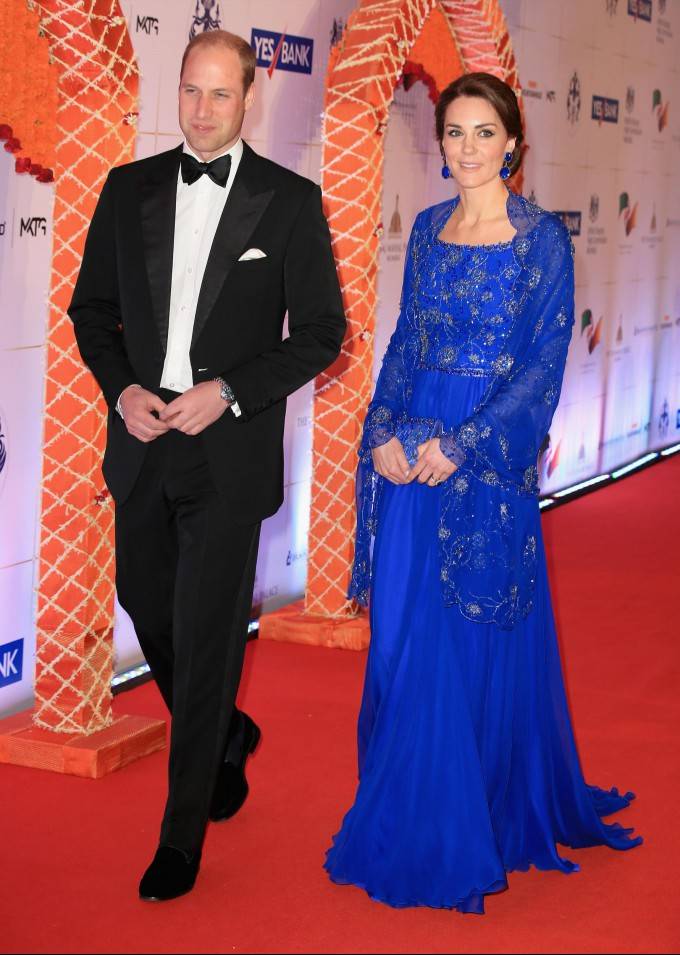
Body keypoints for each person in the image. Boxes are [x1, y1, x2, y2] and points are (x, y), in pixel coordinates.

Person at [325, 72, 641, 914]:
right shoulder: (428, 229)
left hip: (484, 461)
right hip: (413, 451)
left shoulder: (542, 241)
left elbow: (542, 367)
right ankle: (408, 805)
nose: (468, 149)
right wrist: (382, 428)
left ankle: (468, 818)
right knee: (401, 633)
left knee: (464, 638)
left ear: (512, 144)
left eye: (484, 133)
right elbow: (405, 341)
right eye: (455, 133)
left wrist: (461, 444)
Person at [69, 30, 345, 901]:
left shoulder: (289, 201)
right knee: (145, 600)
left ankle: (180, 836)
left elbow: (323, 334)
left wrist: (227, 392)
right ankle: (224, 728)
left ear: (250, 97)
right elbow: (91, 310)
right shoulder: (128, 189)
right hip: (144, 441)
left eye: (221, 94)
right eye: (191, 90)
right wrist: (122, 390)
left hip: (227, 450)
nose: (201, 109)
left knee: (209, 632)